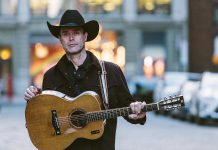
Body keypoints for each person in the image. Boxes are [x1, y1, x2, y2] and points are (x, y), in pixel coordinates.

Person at [24, 10, 146, 150]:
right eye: (65, 33)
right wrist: (34, 99)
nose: (71, 38)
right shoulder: (51, 76)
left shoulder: (111, 71)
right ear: (60, 38)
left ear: (85, 36)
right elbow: (44, 118)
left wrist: (138, 114)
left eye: (76, 32)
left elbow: (128, 108)